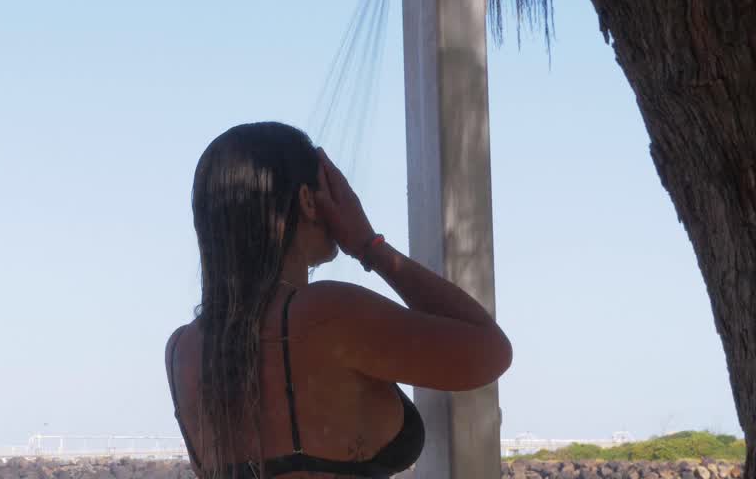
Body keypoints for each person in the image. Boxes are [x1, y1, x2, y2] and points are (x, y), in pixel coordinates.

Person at [165, 122, 512, 478]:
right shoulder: (327, 315)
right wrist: (369, 246)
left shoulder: (182, 350)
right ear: (307, 201)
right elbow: (490, 350)